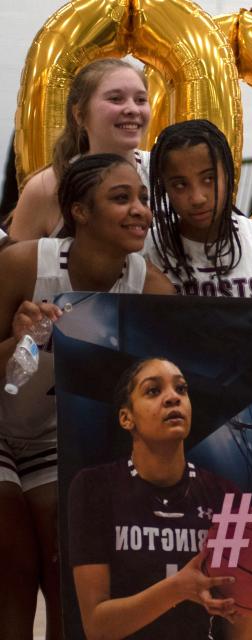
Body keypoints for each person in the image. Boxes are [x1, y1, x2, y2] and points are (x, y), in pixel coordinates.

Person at [0, 153, 173, 638]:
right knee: (10, 555)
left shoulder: (152, 289)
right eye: (121, 198)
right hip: (1, 421)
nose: (140, 209)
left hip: (60, 438)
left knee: (66, 562)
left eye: (142, 198)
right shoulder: (21, 264)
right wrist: (20, 340)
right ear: (79, 211)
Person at [69, 357, 252, 638]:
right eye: (153, 390)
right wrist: (178, 588)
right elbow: (97, 627)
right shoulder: (94, 486)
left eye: (181, 389)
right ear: (126, 418)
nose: (173, 398)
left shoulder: (226, 497)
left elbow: (240, 630)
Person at [144, 119, 252, 298]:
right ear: (164, 187)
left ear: (228, 175)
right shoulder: (147, 251)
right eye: (180, 185)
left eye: (208, 179)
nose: (197, 198)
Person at [8, 59, 151, 241]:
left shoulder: (163, 174)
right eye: (115, 99)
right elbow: (13, 268)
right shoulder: (45, 188)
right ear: (80, 114)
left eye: (141, 100)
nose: (132, 109)